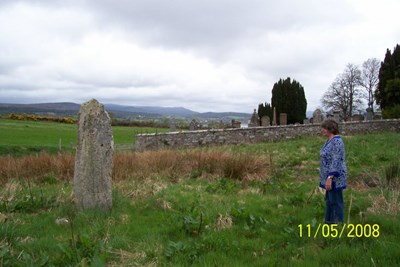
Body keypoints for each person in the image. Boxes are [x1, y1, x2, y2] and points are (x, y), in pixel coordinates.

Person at [319, 119, 347, 224]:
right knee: (330, 200)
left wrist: (330, 177)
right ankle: (329, 222)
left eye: (324, 128)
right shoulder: (329, 140)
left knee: (336, 200)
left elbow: (336, 160)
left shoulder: (337, 141)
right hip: (328, 176)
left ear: (330, 129)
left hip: (335, 177)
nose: (322, 130)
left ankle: (338, 224)